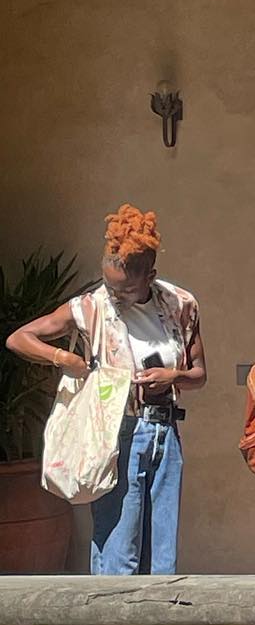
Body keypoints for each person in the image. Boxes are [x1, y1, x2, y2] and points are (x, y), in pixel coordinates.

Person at [6, 205, 205, 575]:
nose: (114, 294)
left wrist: (171, 377)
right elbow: (20, 338)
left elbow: (199, 374)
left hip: (166, 432)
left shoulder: (181, 304)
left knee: (162, 550)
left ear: (150, 277)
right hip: (116, 432)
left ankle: (157, 624)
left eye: (125, 288)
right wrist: (63, 357)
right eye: (109, 283)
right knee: (119, 544)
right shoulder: (90, 307)